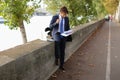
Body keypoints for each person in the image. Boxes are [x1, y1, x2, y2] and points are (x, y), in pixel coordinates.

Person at [49, 6, 71, 71]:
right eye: (64, 14)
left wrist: (69, 32)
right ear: (61, 12)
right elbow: (50, 27)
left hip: (63, 34)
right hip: (56, 33)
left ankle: (61, 65)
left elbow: (67, 27)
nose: (65, 16)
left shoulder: (66, 18)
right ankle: (57, 57)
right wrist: (56, 23)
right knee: (57, 43)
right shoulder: (55, 17)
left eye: (66, 14)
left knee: (63, 50)